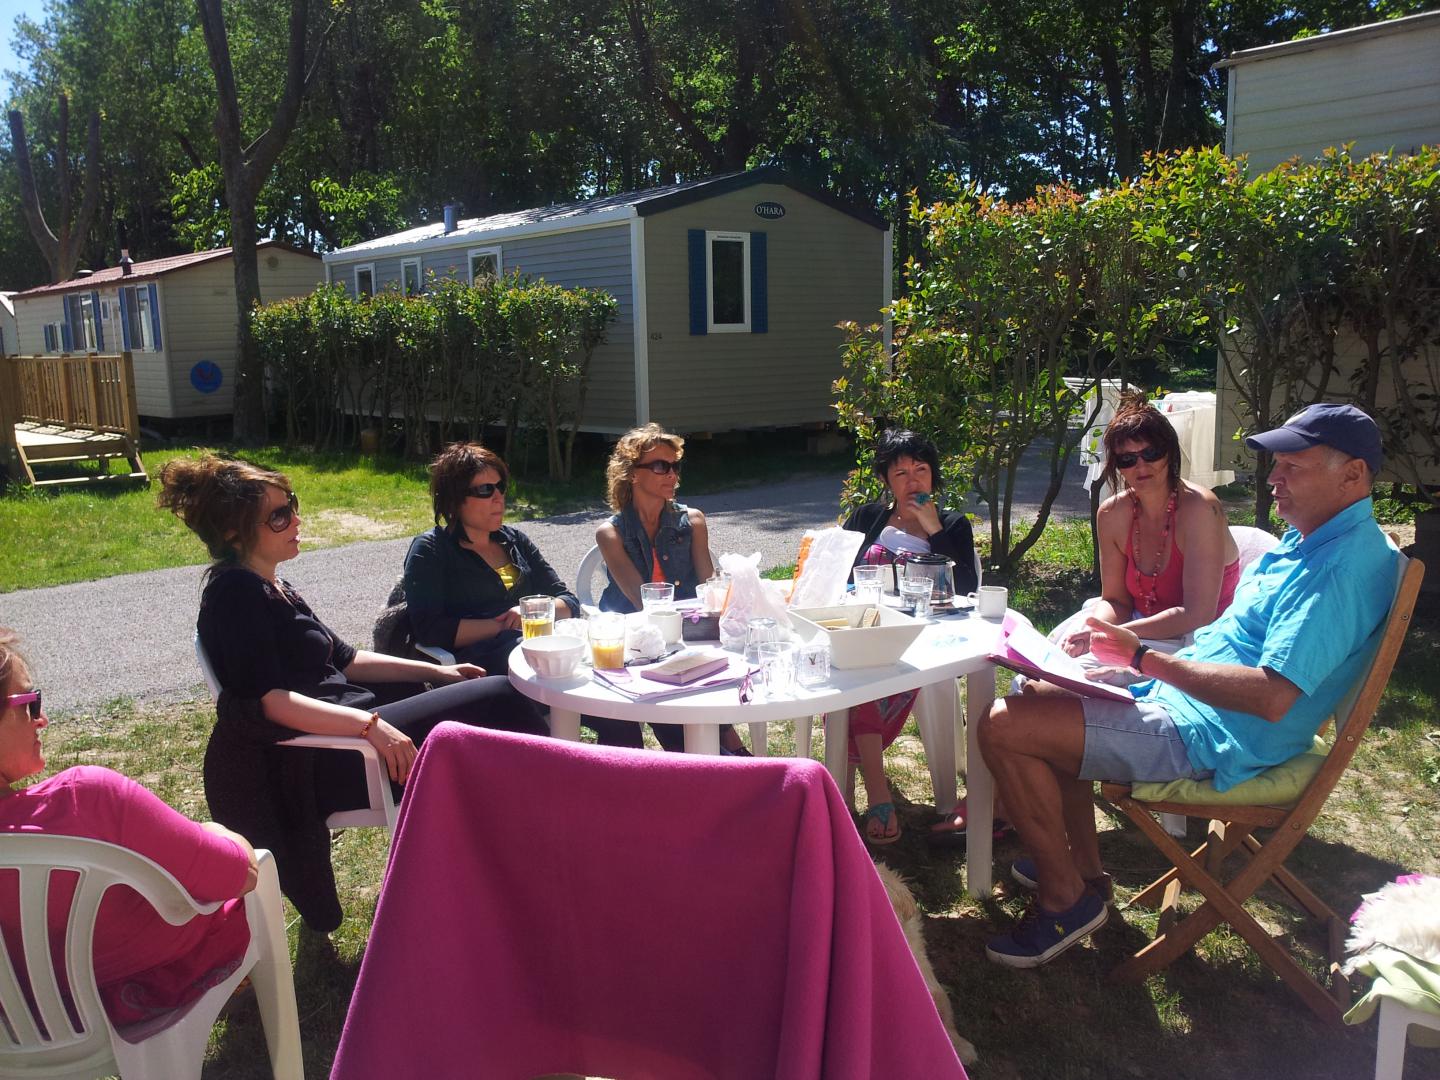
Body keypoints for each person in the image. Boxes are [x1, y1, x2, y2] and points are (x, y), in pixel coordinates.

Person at [976, 404, 1396, 969]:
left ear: (1353, 475)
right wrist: (1133, 665)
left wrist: (1143, 659)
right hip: (1183, 703)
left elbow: (1271, 697)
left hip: (1209, 734)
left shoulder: (1338, 569)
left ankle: (1064, 900)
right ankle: (1085, 875)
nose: (1273, 478)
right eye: (1277, 465)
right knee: (1037, 696)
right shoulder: (1312, 543)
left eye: (1292, 466)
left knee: (1004, 726)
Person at [159, 455, 547, 803]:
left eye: (291, 505)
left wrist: (440, 672)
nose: (296, 520)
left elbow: (347, 659)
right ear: (232, 532)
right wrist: (370, 727)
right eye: (278, 516)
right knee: (499, 694)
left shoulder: (273, 586)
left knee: (485, 714)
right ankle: (559, 795)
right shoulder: (235, 593)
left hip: (354, 729)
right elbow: (270, 701)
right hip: (332, 757)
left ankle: (524, 809)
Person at [0, 628, 260, 1028]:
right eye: (29, 704)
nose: (42, 719)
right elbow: (239, 875)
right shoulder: (86, 799)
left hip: (20, 1026)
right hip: (139, 998)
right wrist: (221, 831)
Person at [839, 429, 979, 845]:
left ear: (933, 475)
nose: (913, 481)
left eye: (921, 470)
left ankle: (874, 794)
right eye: (901, 473)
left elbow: (966, 589)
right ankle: (875, 788)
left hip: (926, 636)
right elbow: (838, 573)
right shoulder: (867, 518)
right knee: (852, 667)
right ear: (887, 480)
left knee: (861, 675)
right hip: (867, 627)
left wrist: (933, 530)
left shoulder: (953, 524)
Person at [1053, 393, 1241, 668]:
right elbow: (1115, 601)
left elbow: (1197, 615)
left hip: (1202, 639)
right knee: (1054, 659)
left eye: (1151, 453)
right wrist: (1095, 628)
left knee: (1074, 678)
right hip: (1139, 626)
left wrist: (1115, 633)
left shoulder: (1201, 509)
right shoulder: (1112, 514)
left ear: (1170, 452)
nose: (1141, 466)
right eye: (1127, 459)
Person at [595, 424, 748, 754]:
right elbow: (642, 601)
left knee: (692, 700)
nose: (672, 475)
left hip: (687, 639)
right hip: (633, 647)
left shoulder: (692, 520)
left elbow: (708, 591)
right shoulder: (610, 533)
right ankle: (728, 757)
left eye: (675, 465)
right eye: (660, 466)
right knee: (673, 714)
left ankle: (727, 753)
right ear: (632, 473)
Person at [403, 442, 580, 672]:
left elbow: (568, 601)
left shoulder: (515, 540)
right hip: (479, 664)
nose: (499, 497)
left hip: (536, 650)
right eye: (485, 490)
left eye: (501, 487)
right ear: (454, 499)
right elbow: (430, 630)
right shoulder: (432, 550)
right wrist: (503, 625)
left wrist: (531, 611)